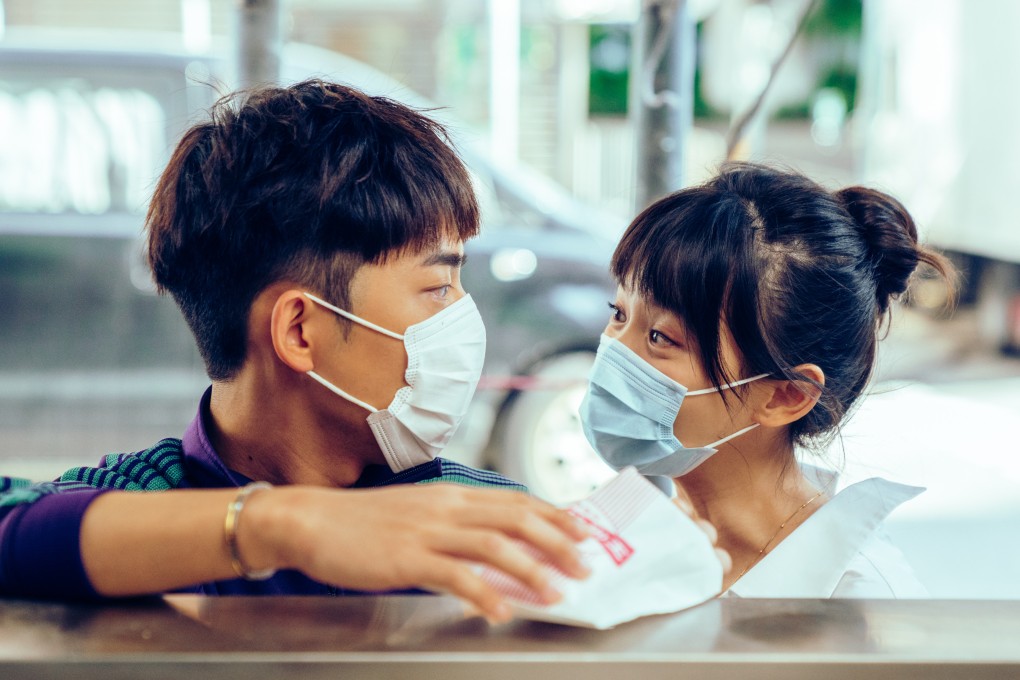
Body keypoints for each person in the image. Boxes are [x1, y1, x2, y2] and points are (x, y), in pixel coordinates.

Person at [0, 80, 595, 622]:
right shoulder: (124, 502)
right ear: (299, 332)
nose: (466, 318)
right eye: (438, 287)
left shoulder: (491, 525)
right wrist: (281, 525)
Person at [580, 162, 954, 597]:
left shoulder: (863, 606)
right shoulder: (632, 526)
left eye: (661, 337)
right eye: (618, 314)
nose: (615, 353)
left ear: (786, 395)